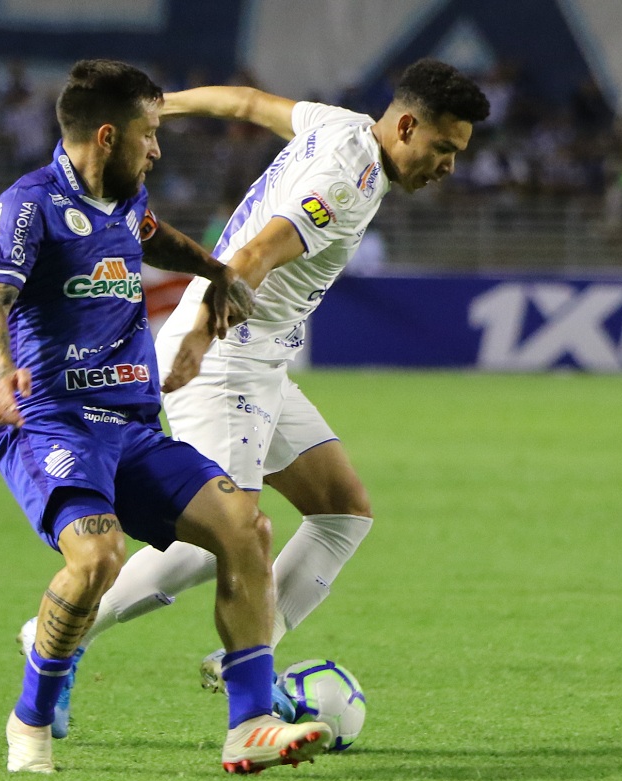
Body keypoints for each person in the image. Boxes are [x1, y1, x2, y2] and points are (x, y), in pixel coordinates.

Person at [26, 58, 488, 725]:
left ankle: (246, 656)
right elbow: (250, 259)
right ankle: (52, 640)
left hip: (258, 361)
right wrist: (195, 343)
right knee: (218, 533)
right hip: (226, 358)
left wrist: (161, 105)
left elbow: (242, 102)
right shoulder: (347, 183)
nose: (448, 165)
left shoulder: (340, 125)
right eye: (443, 149)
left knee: (342, 511)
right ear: (407, 125)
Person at [0, 59, 331, 775]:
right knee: (98, 558)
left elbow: (153, 235)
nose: (158, 148)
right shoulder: (29, 204)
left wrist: (218, 271)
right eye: (149, 134)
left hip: (132, 428)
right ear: (107, 136)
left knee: (245, 528)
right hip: (50, 421)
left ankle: (249, 725)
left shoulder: (122, 198)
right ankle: (30, 719)